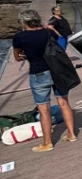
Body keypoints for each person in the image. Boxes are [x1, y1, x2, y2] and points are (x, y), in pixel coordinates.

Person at [12, 10, 77, 152]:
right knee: (64, 102)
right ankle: (71, 134)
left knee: (44, 109)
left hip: (39, 73)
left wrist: (24, 54)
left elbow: (17, 57)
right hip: (57, 71)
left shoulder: (19, 37)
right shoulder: (48, 32)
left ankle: (47, 143)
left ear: (24, 22)